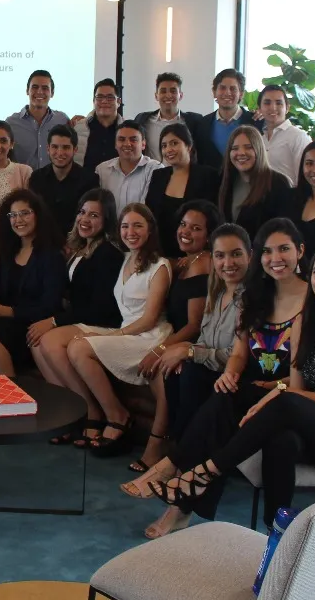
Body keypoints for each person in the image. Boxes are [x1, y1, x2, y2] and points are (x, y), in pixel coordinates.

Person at [145, 242, 315, 538]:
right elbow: (296, 388)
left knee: (286, 403)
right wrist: (279, 393)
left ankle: (203, 471)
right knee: (255, 414)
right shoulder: (306, 324)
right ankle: (276, 534)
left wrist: (281, 395)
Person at [120, 219, 308, 536]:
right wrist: (229, 371)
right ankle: (179, 491)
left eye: (284, 249)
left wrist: (200, 357)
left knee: (219, 401)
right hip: (251, 388)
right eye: (269, 251)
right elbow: (238, 351)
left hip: (290, 398)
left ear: (300, 251)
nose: (276, 258)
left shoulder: (312, 301)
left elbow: (306, 375)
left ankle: (173, 474)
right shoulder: (258, 298)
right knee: (209, 389)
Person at [65, 203, 201, 456]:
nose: (131, 231)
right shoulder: (125, 258)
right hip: (127, 331)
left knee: (79, 348)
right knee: (74, 342)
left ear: (150, 230)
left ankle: (118, 416)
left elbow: (149, 319)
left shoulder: (160, 265)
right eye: (125, 226)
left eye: (138, 225)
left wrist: (111, 335)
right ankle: (108, 412)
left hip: (149, 336)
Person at [134, 223, 252, 475]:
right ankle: (180, 452)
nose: (227, 262)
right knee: (174, 369)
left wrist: (190, 352)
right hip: (212, 365)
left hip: (236, 376)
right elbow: (207, 340)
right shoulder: (217, 291)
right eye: (220, 256)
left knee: (189, 372)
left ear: (250, 256)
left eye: (236, 254)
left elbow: (238, 355)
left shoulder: (251, 299)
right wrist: (186, 350)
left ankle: (183, 463)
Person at [120, 201, 222, 468]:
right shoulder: (183, 261)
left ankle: (158, 444)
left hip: (195, 340)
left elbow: (194, 325)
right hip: (170, 333)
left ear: (209, 235)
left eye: (195, 228)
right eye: (182, 224)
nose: (185, 231)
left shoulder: (203, 264)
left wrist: (159, 351)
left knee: (162, 369)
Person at [28, 189, 125, 446]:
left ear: (107, 220)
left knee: (48, 340)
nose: (85, 219)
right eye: (82, 212)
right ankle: (70, 410)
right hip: (82, 317)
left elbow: (100, 306)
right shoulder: (82, 248)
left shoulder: (108, 253)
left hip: (104, 321)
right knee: (36, 343)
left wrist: (53, 321)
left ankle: (91, 411)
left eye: (94, 215)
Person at [0, 190, 65, 377]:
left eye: (25, 213)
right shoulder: (10, 251)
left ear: (38, 215)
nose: (19, 220)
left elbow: (51, 305)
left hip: (31, 324)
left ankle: (12, 389)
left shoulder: (51, 255)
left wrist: (5, 311)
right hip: (8, 320)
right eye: (13, 215)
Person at [144, 122, 221, 258]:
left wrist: (199, 255)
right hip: (161, 253)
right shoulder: (158, 175)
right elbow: (149, 214)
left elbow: (213, 219)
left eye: (174, 143)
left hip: (195, 254)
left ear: (189, 146)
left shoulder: (208, 175)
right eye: (164, 146)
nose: (168, 149)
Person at [218, 125, 292, 241]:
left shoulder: (278, 183)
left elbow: (283, 230)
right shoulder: (226, 180)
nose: (241, 153)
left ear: (259, 149)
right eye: (235, 148)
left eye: (248, 147)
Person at [29, 125, 99, 237]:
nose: (60, 153)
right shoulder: (36, 178)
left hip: (77, 244)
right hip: (43, 243)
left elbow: (92, 219)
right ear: (48, 149)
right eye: (55, 147)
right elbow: (32, 215)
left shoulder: (90, 180)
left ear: (75, 149)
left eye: (66, 147)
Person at [192, 69, 261, 172]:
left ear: (241, 94)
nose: (227, 93)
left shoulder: (255, 121)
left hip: (245, 183)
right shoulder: (202, 124)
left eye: (233, 89)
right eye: (222, 88)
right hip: (211, 184)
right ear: (214, 92)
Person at [134, 72, 203, 164]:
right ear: (156, 96)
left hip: (184, 176)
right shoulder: (142, 119)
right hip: (152, 176)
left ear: (180, 95)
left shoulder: (194, 121)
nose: (168, 95)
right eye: (163, 91)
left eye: (173, 91)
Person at [6, 70, 70, 169]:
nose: (39, 91)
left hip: (55, 182)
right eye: (35, 87)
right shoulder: (11, 123)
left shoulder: (62, 120)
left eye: (45, 88)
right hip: (23, 183)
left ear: (52, 93)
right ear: (27, 91)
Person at [96, 120, 162, 210]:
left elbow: (149, 209)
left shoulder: (156, 169)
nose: (127, 144)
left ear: (143, 144)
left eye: (133, 139)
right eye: (121, 139)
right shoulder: (102, 170)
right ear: (115, 144)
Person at [259, 85, 310, 187]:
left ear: (287, 108)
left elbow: (304, 177)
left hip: (290, 199)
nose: (273, 108)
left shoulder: (298, 137)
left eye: (279, 103)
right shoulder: (259, 138)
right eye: (267, 103)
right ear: (259, 109)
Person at [73, 79, 123, 171]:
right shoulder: (79, 127)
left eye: (110, 97)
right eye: (99, 97)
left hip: (118, 184)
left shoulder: (126, 129)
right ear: (93, 101)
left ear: (118, 101)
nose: (104, 101)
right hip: (84, 184)